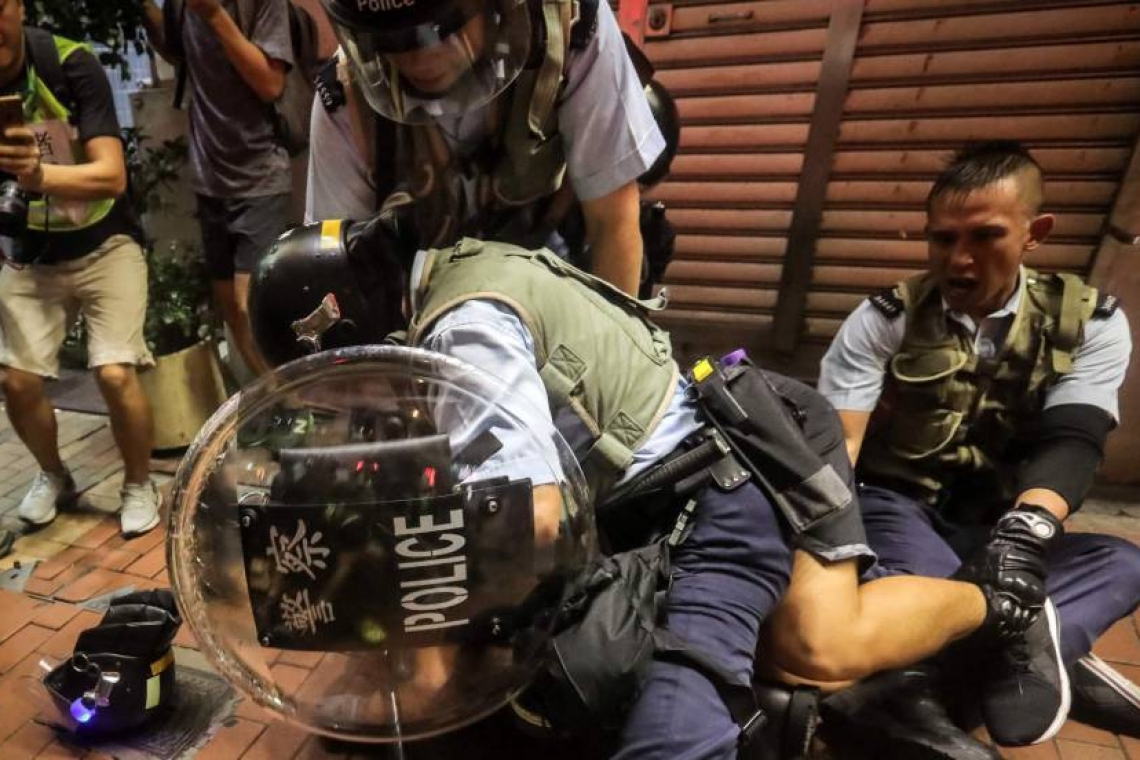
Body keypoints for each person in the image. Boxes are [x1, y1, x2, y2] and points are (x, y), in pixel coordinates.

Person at [246, 216, 1074, 757]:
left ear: (354, 327)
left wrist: (367, 564)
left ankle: (1000, 600)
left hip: (732, 460)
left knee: (802, 657)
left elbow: (533, 518)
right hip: (661, 481)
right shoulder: (444, 288)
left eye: (343, 379)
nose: (353, 401)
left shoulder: (463, 329)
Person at [818, 140, 1140, 743]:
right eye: (942, 239)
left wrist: (1024, 539)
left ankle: (927, 687)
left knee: (1122, 563)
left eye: (985, 236)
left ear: (1033, 232)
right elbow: (842, 444)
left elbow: (1075, 435)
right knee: (927, 589)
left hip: (1005, 518)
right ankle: (1036, 653)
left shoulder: (1089, 322)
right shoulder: (884, 317)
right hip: (903, 508)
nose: (959, 260)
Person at [306, 0, 660, 296]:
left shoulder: (573, 29)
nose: (418, 59)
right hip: (419, 298)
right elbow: (339, 272)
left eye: (439, 31)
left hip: (548, 268)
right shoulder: (344, 97)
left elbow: (612, 223)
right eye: (390, 39)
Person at [0, 0, 160, 537]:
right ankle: (55, 475)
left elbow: (112, 176)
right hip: (32, 253)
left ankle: (139, 483)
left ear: (18, 6)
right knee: (17, 381)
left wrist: (37, 176)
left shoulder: (69, 63)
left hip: (106, 243)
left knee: (114, 372)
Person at [142, 0, 295, 378]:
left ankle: (296, 406)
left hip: (260, 175)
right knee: (234, 314)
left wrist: (213, 14)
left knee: (252, 308)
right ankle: (277, 402)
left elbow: (271, 83)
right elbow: (180, 55)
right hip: (210, 178)